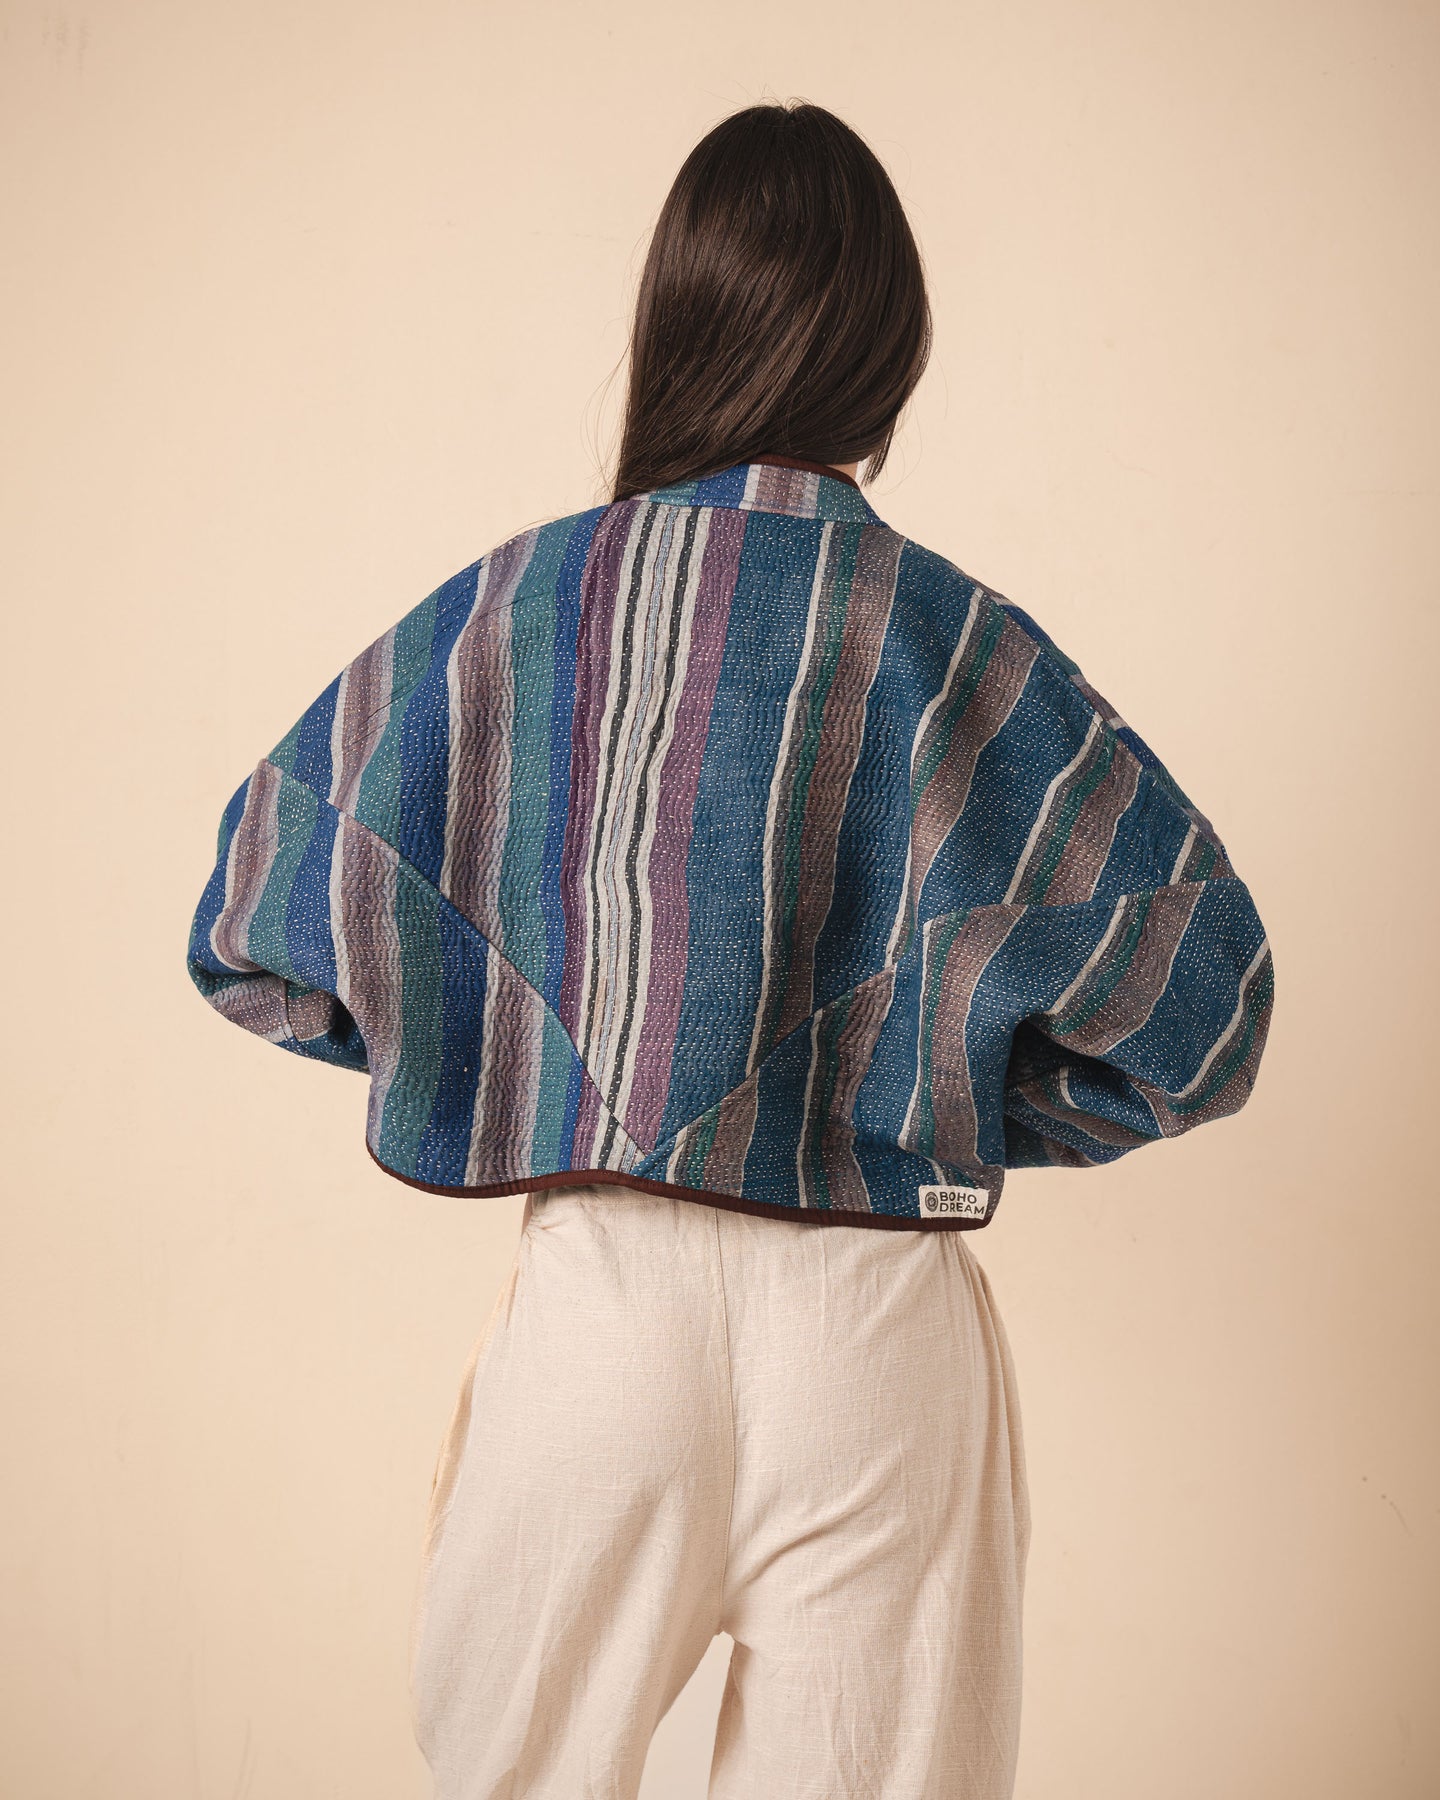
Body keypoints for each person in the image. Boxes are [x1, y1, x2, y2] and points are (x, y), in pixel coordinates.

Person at [185, 100, 1274, 1800]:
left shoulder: (518, 606)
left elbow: (254, 909)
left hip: (600, 1319)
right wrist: (945, 1085)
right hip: (876, 1334)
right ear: (889, 353)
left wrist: (505, 1055)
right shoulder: (952, 637)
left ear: (675, 323)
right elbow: (1203, 1001)